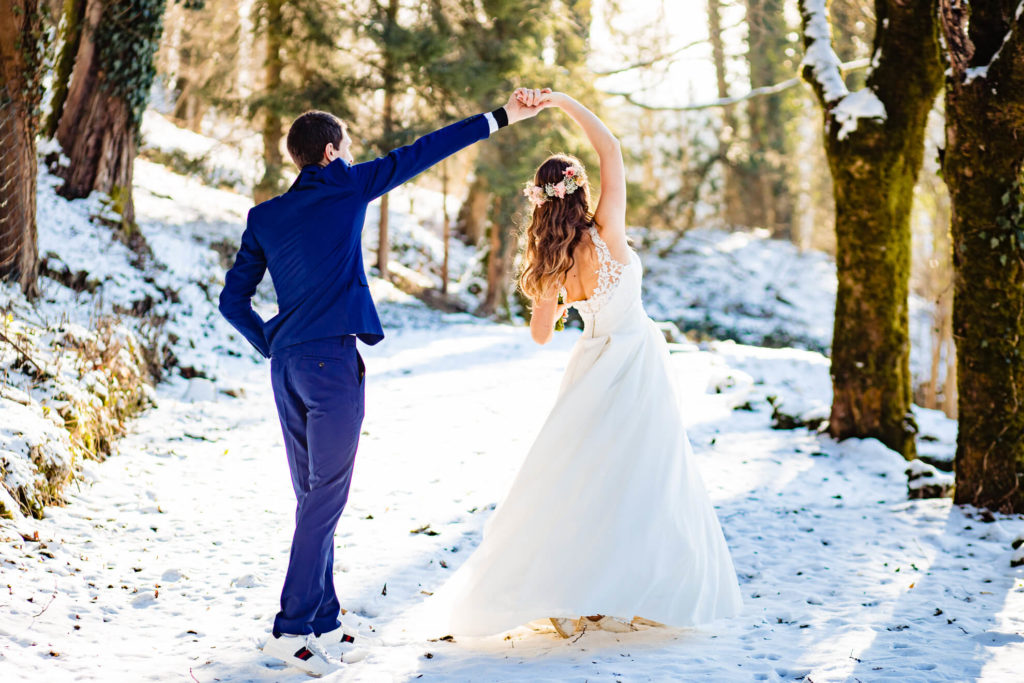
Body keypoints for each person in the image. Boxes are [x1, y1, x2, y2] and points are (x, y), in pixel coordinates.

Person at [218, 90, 545, 675]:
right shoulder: (346, 184)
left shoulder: (264, 216)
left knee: (312, 497)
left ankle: (326, 620)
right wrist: (501, 116)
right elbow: (427, 150)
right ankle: (289, 630)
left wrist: (272, 340)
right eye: (345, 148)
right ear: (329, 151)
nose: (350, 155)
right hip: (331, 368)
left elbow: (232, 300)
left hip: (286, 366)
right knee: (324, 499)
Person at [431, 89, 743, 637]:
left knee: (579, 480)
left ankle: (575, 593)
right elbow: (612, 150)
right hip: (639, 362)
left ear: (541, 203)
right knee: (641, 478)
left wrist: (548, 287)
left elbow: (540, 336)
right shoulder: (609, 234)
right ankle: (617, 589)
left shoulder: (550, 264)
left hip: (591, 368)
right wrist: (561, 101)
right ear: (579, 192)